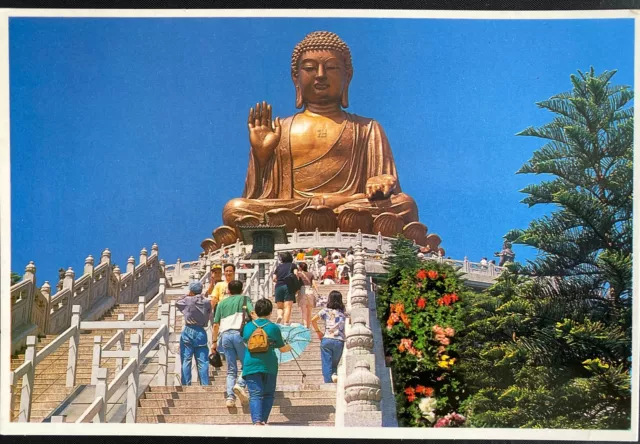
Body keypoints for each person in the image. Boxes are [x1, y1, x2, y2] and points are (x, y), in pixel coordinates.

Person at [242, 298, 292, 425]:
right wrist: (289, 346)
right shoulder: (273, 328)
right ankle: (263, 420)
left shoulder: (247, 327)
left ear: (256, 311)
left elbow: (245, 341)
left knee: (255, 394)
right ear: (270, 312)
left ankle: (257, 422)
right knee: (268, 394)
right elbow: (282, 348)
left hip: (251, 364)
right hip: (269, 365)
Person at [212, 280, 253, 407]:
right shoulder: (245, 300)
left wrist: (214, 343)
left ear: (228, 290)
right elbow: (252, 314)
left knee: (231, 370)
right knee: (248, 364)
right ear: (242, 290)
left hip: (224, 336)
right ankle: (240, 384)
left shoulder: (221, 303)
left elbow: (215, 325)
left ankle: (230, 398)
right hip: (239, 334)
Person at [175, 282, 212, 386]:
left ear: (191, 290)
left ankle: (186, 384)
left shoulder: (187, 300)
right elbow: (209, 312)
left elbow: (177, 302)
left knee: (186, 359)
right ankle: (205, 384)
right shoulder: (206, 302)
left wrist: (187, 295)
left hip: (188, 330)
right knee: (203, 361)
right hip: (200, 331)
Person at [311, 291, 347, 383]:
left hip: (327, 339)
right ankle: (334, 375)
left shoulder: (325, 311)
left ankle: (328, 383)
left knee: (327, 363)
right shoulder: (343, 312)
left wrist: (318, 332)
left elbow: (313, 320)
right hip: (339, 340)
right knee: (335, 363)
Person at [273, 251, 298, 324]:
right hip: (288, 286)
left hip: (278, 286)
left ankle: (279, 315)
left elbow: (274, 278)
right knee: (287, 307)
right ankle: (286, 323)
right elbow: (296, 274)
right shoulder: (293, 265)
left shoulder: (278, 267)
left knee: (280, 307)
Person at [297, 262, 319, 328]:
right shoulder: (310, 274)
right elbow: (314, 284)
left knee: (304, 311)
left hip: (302, 290)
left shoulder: (299, 274)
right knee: (309, 311)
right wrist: (317, 292)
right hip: (310, 290)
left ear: (300, 267)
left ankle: (305, 325)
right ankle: (308, 327)